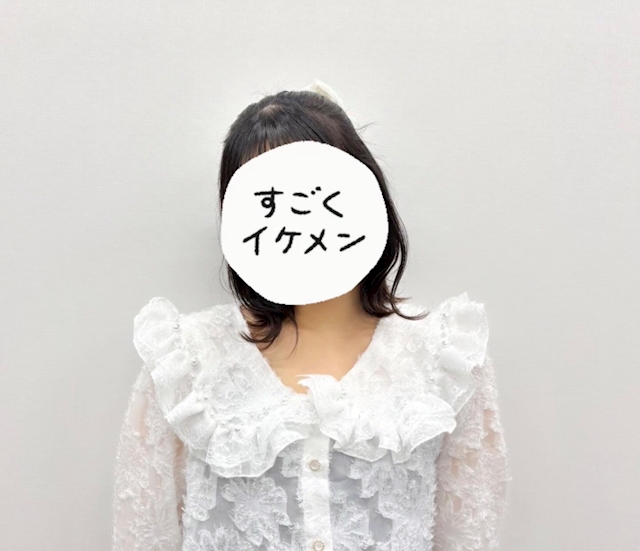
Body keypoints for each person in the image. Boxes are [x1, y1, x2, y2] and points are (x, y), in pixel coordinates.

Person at [111, 81, 510, 551]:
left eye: (317, 197)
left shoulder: (444, 359)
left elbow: (469, 536)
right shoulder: (185, 362)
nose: (296, 223)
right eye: (269, 203)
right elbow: (143, 535)